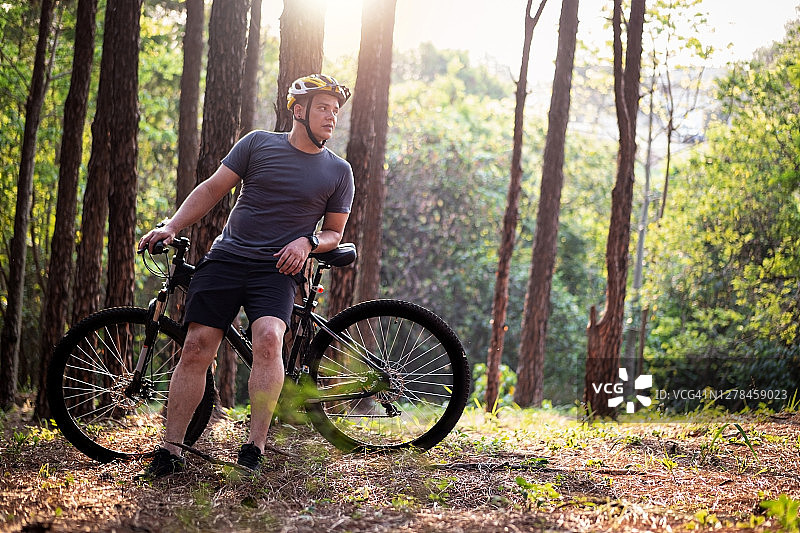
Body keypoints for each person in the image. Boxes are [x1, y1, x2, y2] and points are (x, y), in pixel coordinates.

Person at [136, 74, 354, 478]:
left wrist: (307, 242)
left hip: (277, 269)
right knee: (198, 344)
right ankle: (171, 449)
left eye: (336, 111)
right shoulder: (257, 144)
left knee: (269, 339)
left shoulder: (338, 171)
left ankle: (254, 446)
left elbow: (333, 233)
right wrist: (171, 226)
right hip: (227, 258)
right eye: (324, 108)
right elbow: (212, 189)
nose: (332, 117)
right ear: (299, 111)